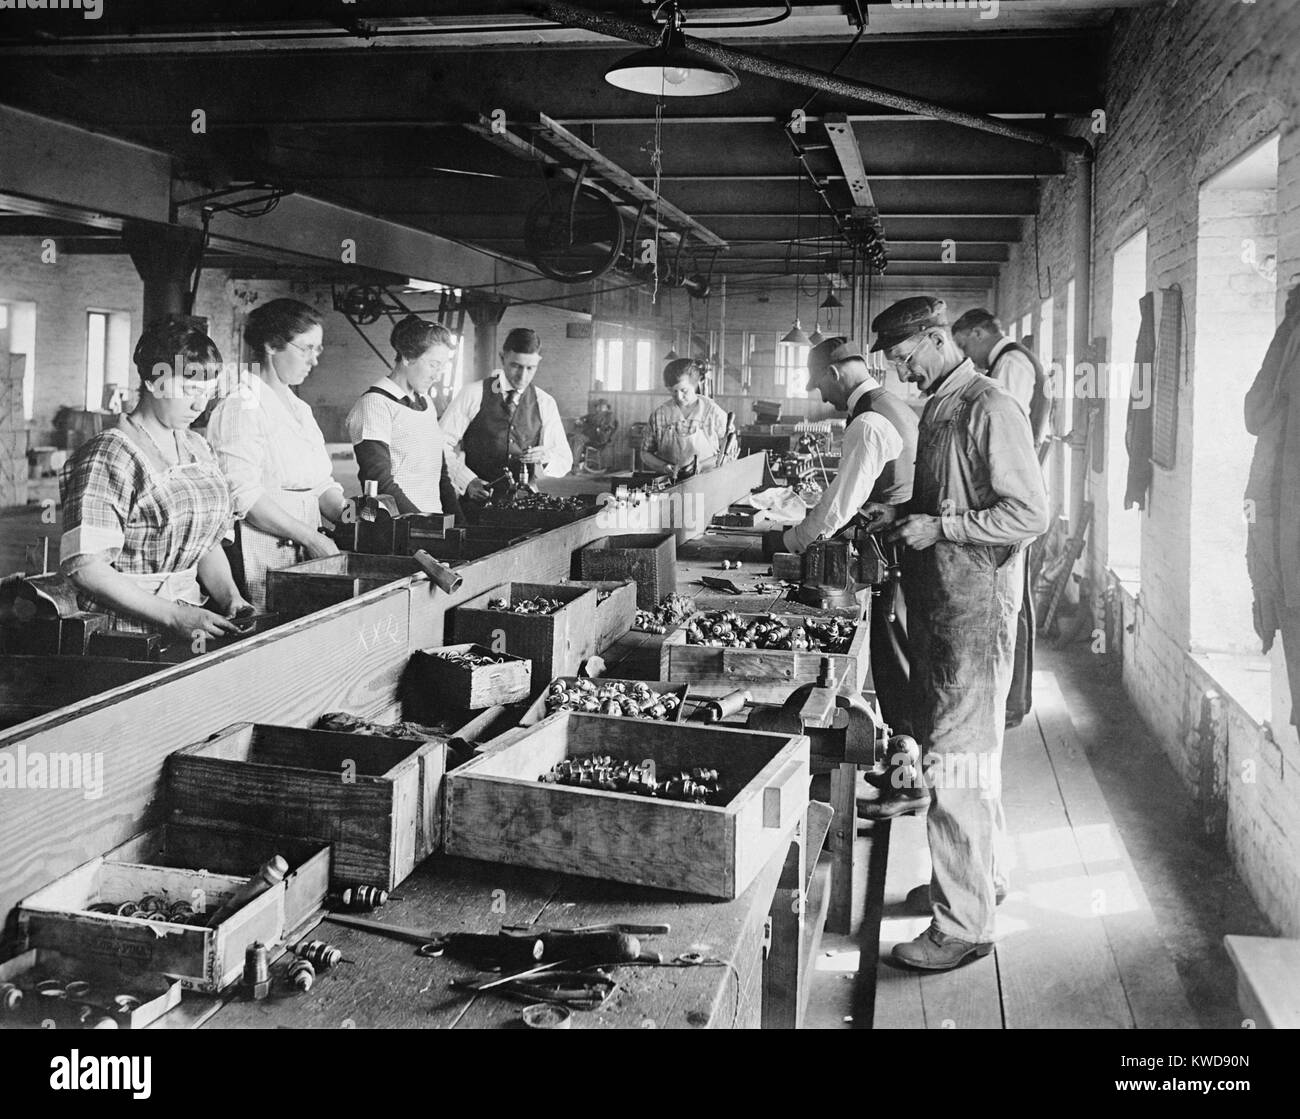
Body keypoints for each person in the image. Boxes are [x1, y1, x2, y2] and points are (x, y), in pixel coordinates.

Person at [875, 295, 1048, 971]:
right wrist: (904, 517)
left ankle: (965, 925)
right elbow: (955, 495)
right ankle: (980, 880)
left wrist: (941, 529)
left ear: (934, 338)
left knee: (955, 762)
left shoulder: (989, 405)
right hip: (945, 603)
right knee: (972, 762)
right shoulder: (944, 404)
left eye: (902, 357)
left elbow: (1029, 512)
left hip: (974, 610)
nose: (898, 372)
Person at [58, 318, 251, 638]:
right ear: (152, 381)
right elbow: (86, 568)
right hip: (124, 630)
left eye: (207, 392)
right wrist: (173, 616)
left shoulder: (198, 449)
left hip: (190, 617)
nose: (199, 405)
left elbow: (205, 543)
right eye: (189, 389)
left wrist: (231, 598)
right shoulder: (109, 455)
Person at [782, 336, 920, 738]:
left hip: (889, 555)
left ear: (834, 373)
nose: (823, 397)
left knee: (894, 664)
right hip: (901, 549)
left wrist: (791, 543)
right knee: (900, 661)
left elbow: (839, 506)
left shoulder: (868, 420)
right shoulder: (892, 404)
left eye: (820, 385)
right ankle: (905, 764)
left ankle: (905, 773)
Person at [207, 298, 345, 611]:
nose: (314, 361)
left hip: (304, 552)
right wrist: (311, 538)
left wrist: (352, 514)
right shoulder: (241, 406)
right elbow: (246, 498)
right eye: (306, 348)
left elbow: (320, 484)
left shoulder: (300, 409)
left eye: (318, 349)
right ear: (271, 346)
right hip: (259, 552)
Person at [952, 307, 1050, 728]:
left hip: (1011, 505)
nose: (967, 356)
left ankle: (1011, 699)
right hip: (1013, 498)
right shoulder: (1016, 360)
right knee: (1014, 605)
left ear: (979, 332)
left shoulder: (1009, 366)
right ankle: (1011, 696)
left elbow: (1002, 435)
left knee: (1011, 607)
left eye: (965, 344)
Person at [439, 327, 573, 502]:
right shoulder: (473, 394)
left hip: (524, 505)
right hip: (477, 504)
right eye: (516, 366)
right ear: (503, 358)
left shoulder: (544, 402)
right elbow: (438, 445)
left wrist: (547, 457)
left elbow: (564, 462)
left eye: (530, 368)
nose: (522, 376)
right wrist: (467, 480)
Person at [346, 316, 460, 516]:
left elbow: (440, 476)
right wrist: (423, 526)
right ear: (407, 357)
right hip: (398, 527)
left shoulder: (426, 404)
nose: (438, 375)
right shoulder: (375, 404)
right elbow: (379, 481)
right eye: (433, 364)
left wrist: (460, 524)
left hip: (433, 523)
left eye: (443, 366)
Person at [640, 358, 735, 478]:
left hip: (708, 481)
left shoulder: (713, 412)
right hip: (670, 483)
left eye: (684, 390)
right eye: (673, 391)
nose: (679, 397)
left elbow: (729, 453)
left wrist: (701, 466)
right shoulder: (660, 415)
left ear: (695, 384)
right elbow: (645, 452)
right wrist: (664, 466)